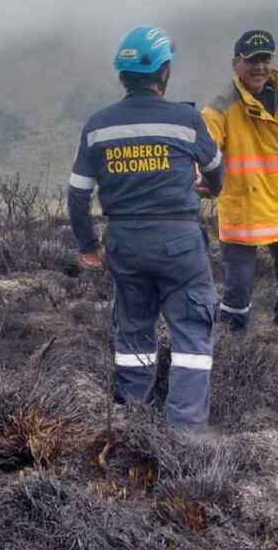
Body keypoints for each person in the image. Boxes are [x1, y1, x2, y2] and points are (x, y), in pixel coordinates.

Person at [68, 26, 223, 430]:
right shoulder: (186, 119)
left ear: (123, 75)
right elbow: (215, 174)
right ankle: (186, 436)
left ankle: (134, 425)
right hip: (179, 244)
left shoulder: (98, 125)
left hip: (124, 245)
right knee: (191, 334)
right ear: (163, 72)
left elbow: (78, 195)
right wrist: (205, 186)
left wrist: (88, 247)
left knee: (133, 332)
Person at [200, 30, 278, 335]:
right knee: (238, 293)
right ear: (235, 64)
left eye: (265, 58)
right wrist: (199, 179)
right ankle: (232, 351)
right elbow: (202, 152)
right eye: (251, 60)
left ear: (273, 61)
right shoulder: (218, 110)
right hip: (245, 215)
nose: (259, 66)